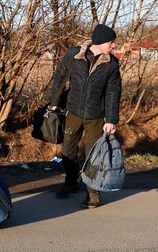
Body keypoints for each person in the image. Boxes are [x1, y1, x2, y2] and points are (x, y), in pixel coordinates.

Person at [50, 24, 122, 209]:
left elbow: (113, 92)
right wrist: (54, 102)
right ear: (99, 41)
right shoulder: (74, 54)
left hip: (96, 116)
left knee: (93, 156)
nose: (113, 46)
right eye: (111, 42)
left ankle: (93, 194)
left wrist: (111, 119)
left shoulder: (112, 64)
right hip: (72, 111)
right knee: (67, 151)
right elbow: (60, 76)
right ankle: (71, 183)